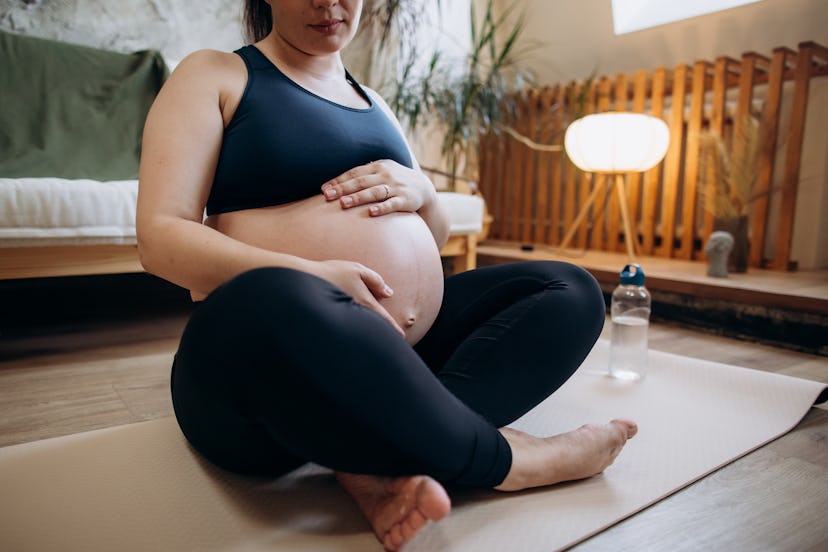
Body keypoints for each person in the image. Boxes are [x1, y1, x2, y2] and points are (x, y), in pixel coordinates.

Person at [136, 1, 638, 549]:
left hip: (392, 357)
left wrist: (423, 191)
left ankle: (378, 460)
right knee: (276, 294)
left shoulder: (374, 102)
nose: (327, 2)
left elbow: (434, 237)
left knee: (569, 290)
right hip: (258, 369)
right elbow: (160, 238)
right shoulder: (217, 74)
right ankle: (512, 459)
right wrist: (312, 276)